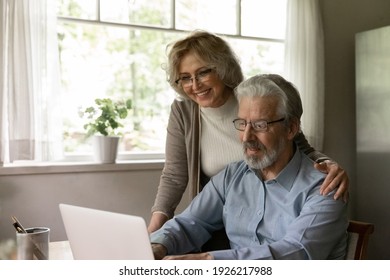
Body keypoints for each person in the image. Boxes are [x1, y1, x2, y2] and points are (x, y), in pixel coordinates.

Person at [148, 30, 349, 234]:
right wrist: (154, 230)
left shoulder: (253, 99)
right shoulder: (184, 111)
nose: (195, 85)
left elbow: (298, 146)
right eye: (185, 78)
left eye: (203, 73)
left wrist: (329, 166)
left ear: (222, 68)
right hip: (221, 219)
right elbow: (174, 175)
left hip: (271, 219)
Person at [150, 74, 349, 260]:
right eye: (242, 123)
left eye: (260, 125)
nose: (247, 137)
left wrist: (210, 260)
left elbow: (296, 252)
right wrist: (158, 247)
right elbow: (189, 223)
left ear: (291, 129)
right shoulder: (231, 177)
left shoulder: (325, 187)